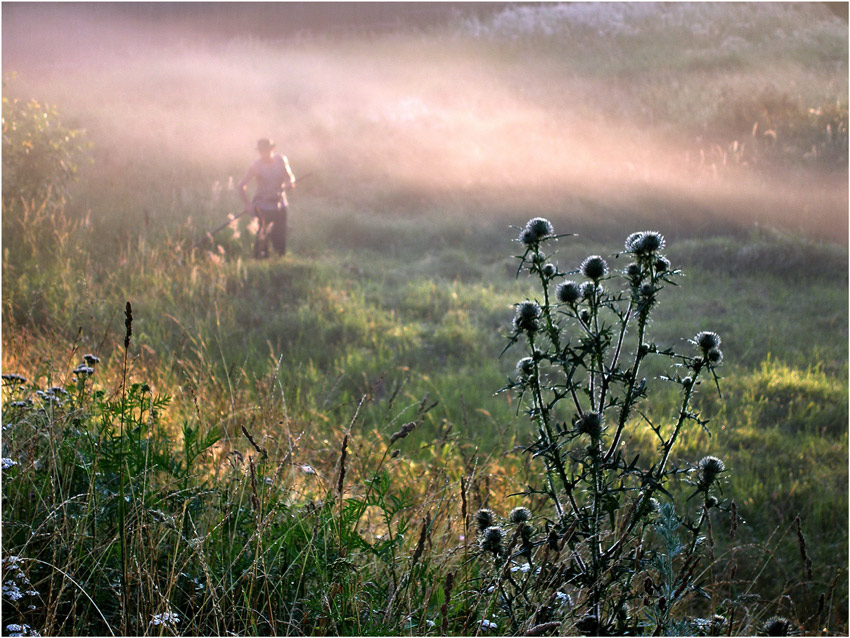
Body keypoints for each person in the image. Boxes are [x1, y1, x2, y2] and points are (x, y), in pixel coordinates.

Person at [238, 138, 296, 257]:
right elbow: (241, 185)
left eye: (266, 151)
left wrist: (290, 183)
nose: (264, 154)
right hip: (262, 207)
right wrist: (247, 204)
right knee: (262, 239)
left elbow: (290, 177)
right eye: (261, 151)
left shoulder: (281, 160)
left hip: (280, 205)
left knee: (280, 238)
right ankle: (261, 265)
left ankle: (280, 263)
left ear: (272, 149)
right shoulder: (256, 166)